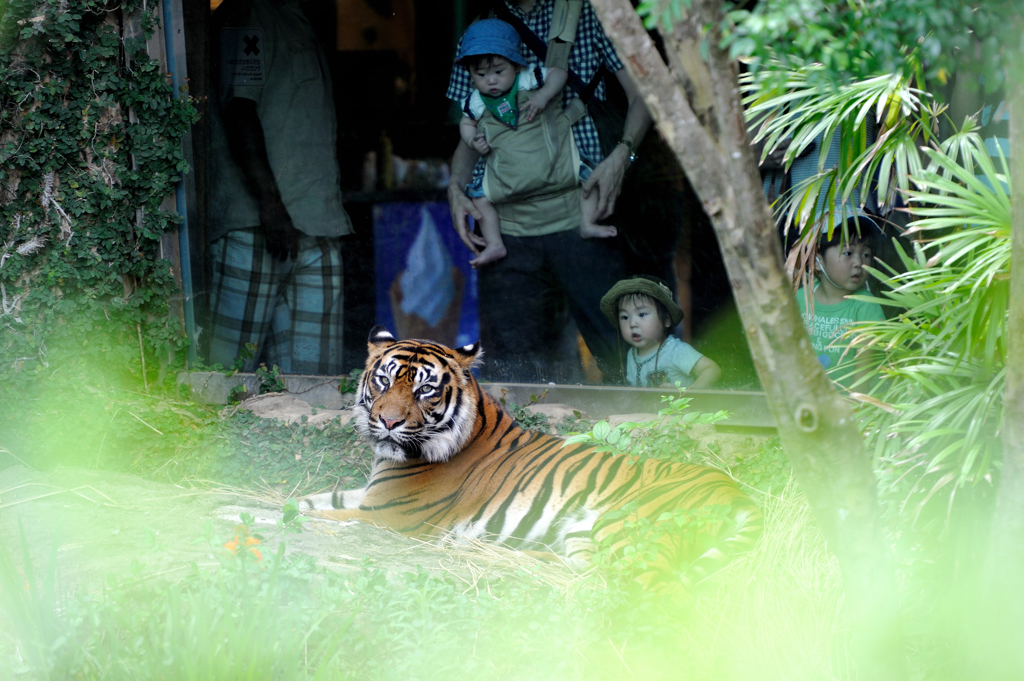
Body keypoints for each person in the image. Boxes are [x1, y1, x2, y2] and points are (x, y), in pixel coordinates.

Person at [446, 0, 652, 384]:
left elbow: (646, 93)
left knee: (619, 353)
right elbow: (468, 134)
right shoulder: (479, 30)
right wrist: (455, 189)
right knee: (515, 369)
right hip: (509, 229)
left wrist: (621, 155)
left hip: (581, 210)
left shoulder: (586, 13)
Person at [206, 0, 352, 375]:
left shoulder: (297, 15)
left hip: (316, 225)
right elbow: (239, 110)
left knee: (314, 385)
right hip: (257, 228)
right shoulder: (250, 12)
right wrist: (270, 205)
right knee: (228, 377)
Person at [455, 19, 617, 268]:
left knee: (590, 176)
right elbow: (466, 124)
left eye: (499, 72)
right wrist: (472, 140)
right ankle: (495, 242)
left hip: (556, 162)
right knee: (479, 200)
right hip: (504, 176)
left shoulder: (527, 79)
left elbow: (559, 73)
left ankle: (587, 223)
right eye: (481, 75)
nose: (491, 81)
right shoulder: (475, 101)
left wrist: (543, 95)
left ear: (516, 65)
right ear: (471, 74)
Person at [797, 212, 885, 387]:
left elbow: (864, 374)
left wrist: (855, 410)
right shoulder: (801, 298)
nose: (858, 262)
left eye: (866, 254)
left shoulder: (867, 307)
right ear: (817, 261)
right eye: (848, 252)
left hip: (851, 407)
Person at [600, 276, 721, 389]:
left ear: (666, 320)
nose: (632, 324)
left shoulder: (675, 350)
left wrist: (687, 393)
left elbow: (711, 369)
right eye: (625, 317)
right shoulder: (631, 354)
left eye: (642, 314)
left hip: (681, 410)